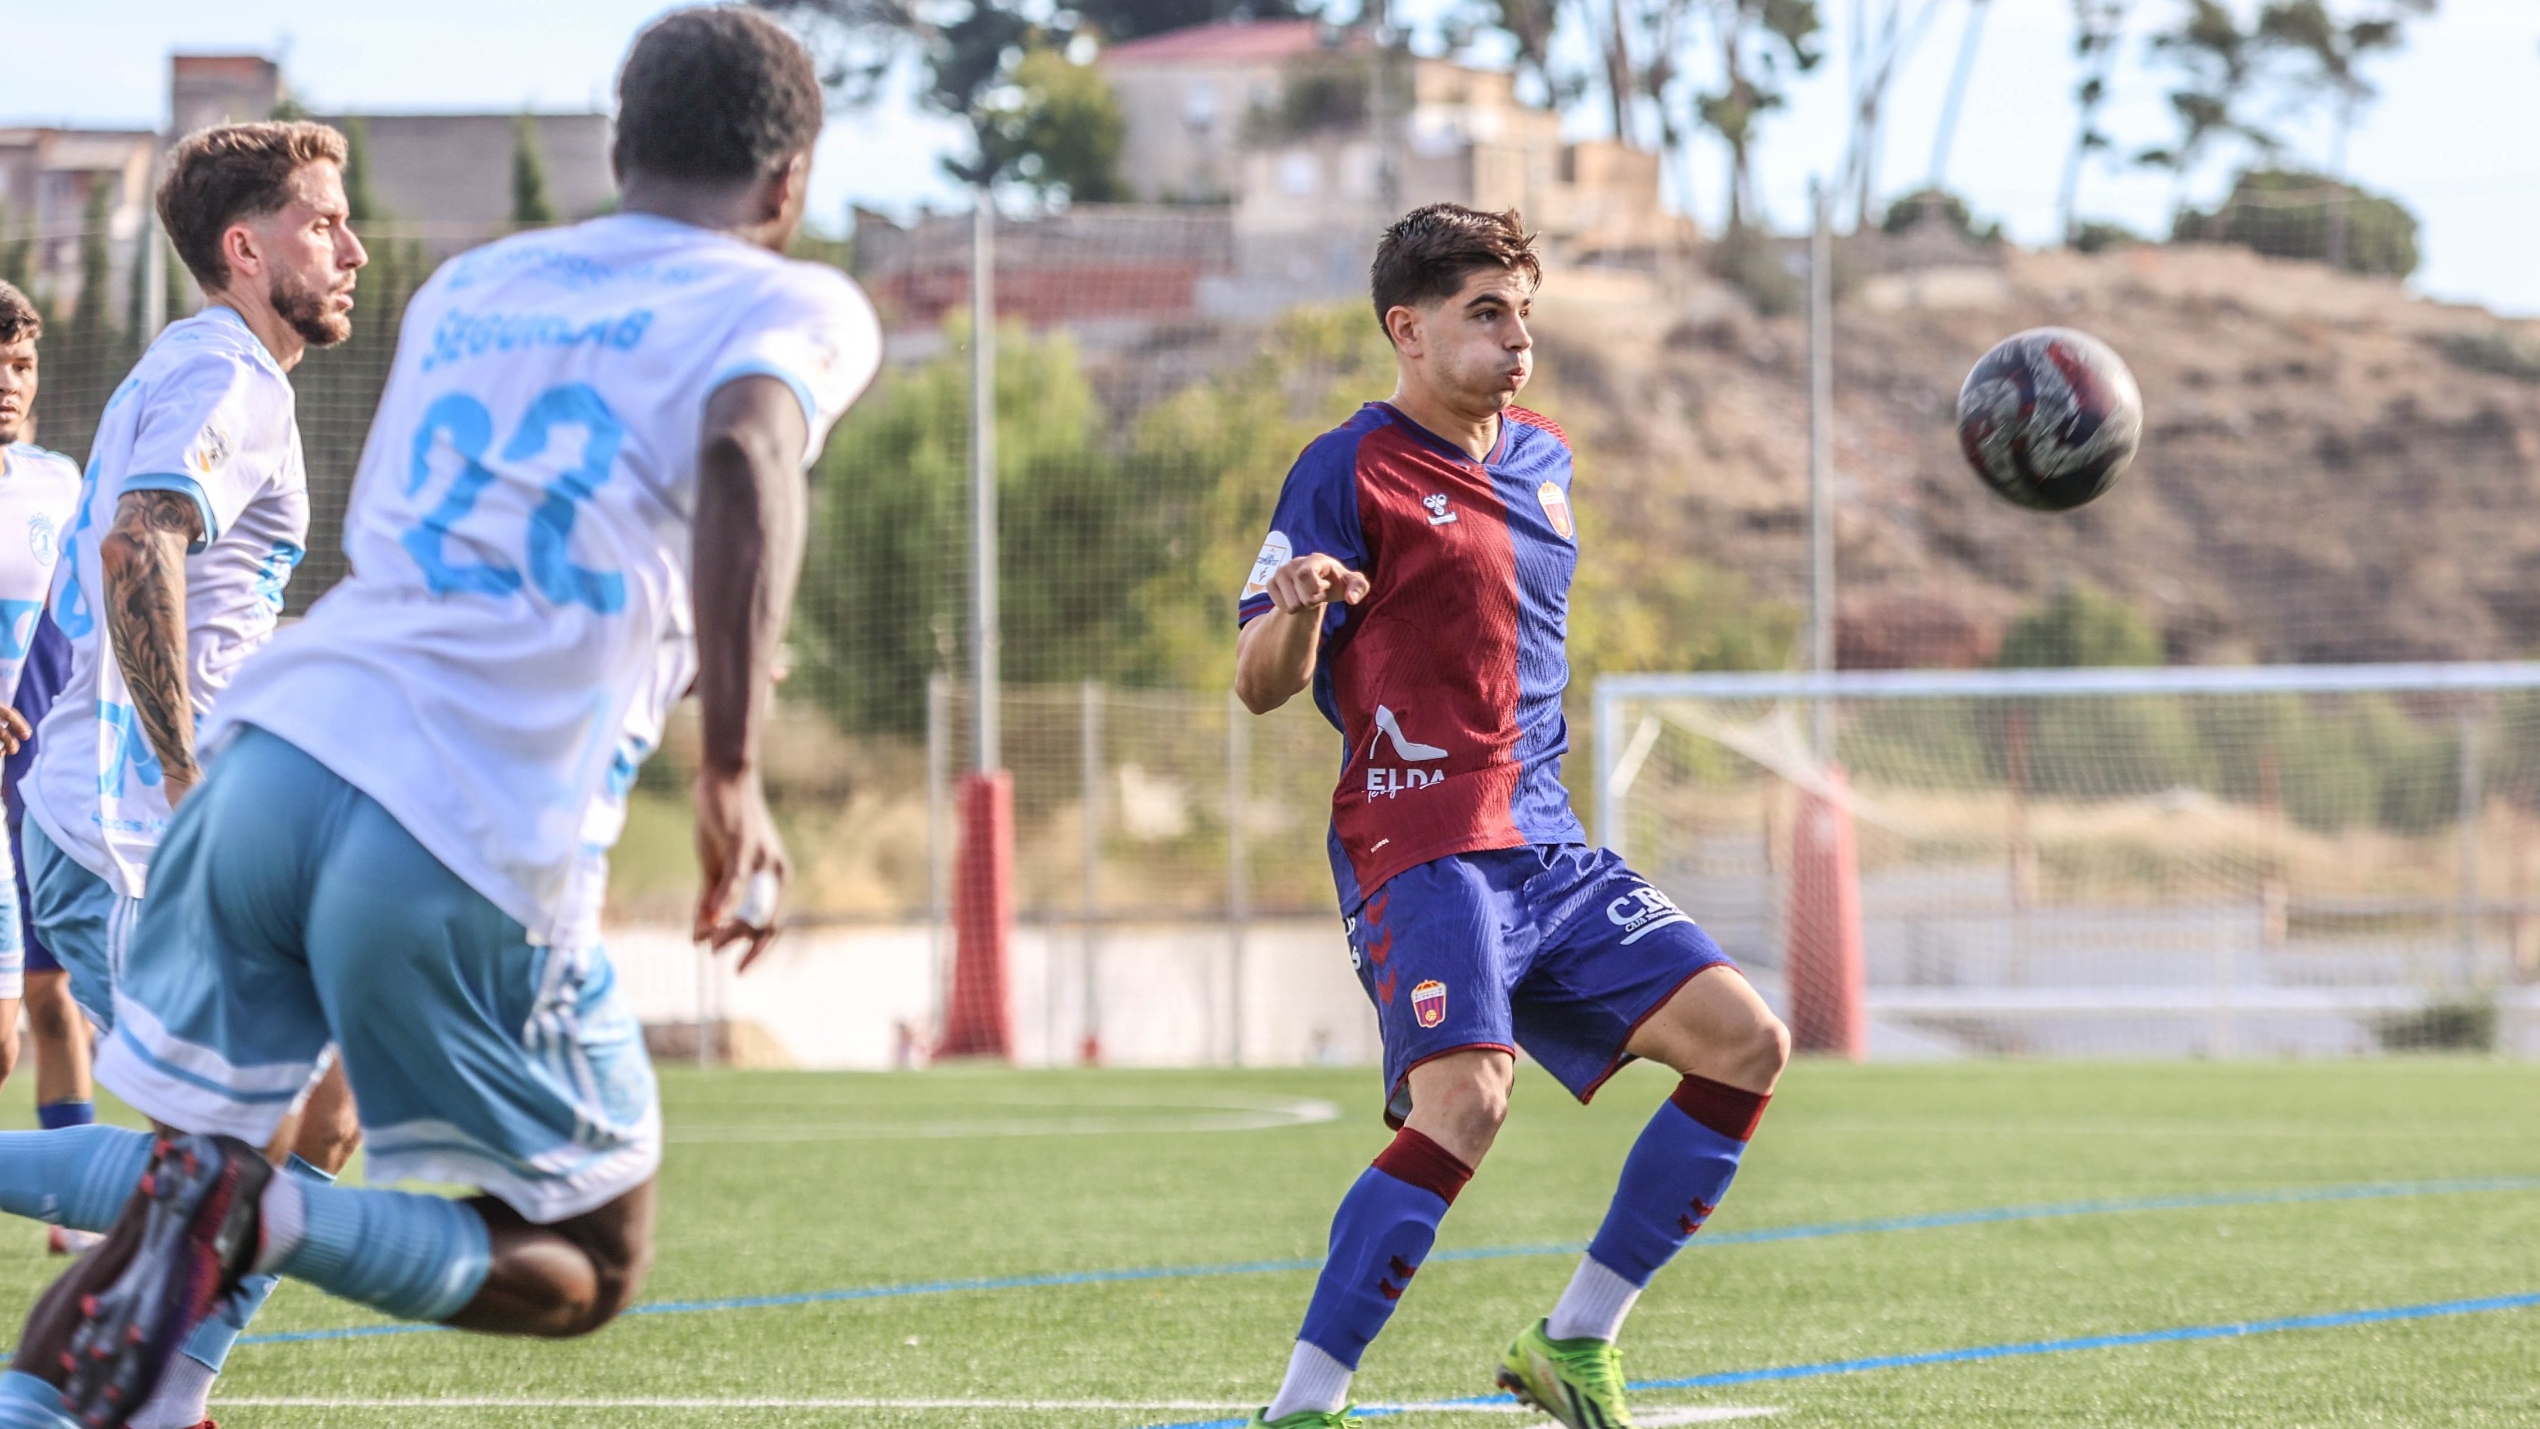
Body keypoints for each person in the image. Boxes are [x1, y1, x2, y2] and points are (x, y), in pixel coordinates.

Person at [0, 10, 880, 1427]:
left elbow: (469, 550)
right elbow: (741, 449)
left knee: (196, 1169)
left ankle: (143, 1346)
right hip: (461, 810)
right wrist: (730, 768)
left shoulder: (471, 289)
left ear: (616, 147)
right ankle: (259, 1224)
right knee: (588, 1258)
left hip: (280, 759)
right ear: (785, 187)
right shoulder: (791, 302)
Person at [1230, 204, 1792, 1429]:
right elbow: (1259, 684)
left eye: (1522, 311)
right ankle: (1302, 1406)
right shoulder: (1345, 466)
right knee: (1468, 1099)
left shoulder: (1543, 455)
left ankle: (1572, 1340)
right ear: (1408, 328)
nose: (1514, 335)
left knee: (1745, 1041)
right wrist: (1300, 606)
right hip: (1423, 846)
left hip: (1549, 844)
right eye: (1485, 311)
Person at [0, 120, 370, 1429]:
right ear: (245, 243)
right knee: (247, 1142)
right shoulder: (230, 376)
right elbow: (138, 549)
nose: (353, 250)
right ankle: (155, 1400)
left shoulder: (201, 366)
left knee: (276, 1126)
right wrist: (183, 770)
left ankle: (135, 1398)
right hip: (134, 826)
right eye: (325, 222)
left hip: (123, 820)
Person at [0, 283, 84, 1123]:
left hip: (27, 781)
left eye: (21, 364)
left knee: (31, 1015)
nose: (9, 382)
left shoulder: (56, 483)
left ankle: (81, 1221)